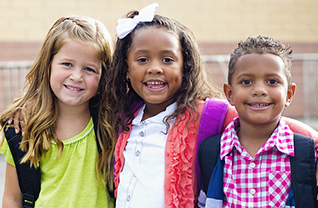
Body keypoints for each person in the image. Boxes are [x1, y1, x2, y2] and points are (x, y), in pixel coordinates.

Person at [108, 3, 318, 208]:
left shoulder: (207, 113)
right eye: (143, 59)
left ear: (185, 67)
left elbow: (271, 122)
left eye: (167, 59)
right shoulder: (123, 115)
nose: (155, 68)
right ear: (126, 68)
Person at [0, 15, 115, 208]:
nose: (77, 76)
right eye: (67, 64)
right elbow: (12, 198)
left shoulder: (111, 123)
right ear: (48, 65)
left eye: (89, 69)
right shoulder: (25, 127)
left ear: (104, 75)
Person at [201, 36, 317, 207]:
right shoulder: (211, 152)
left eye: (272, 81)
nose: (260, 90)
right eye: (246, 82)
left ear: (289, 94)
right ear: (230, 94)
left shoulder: (307, 153)